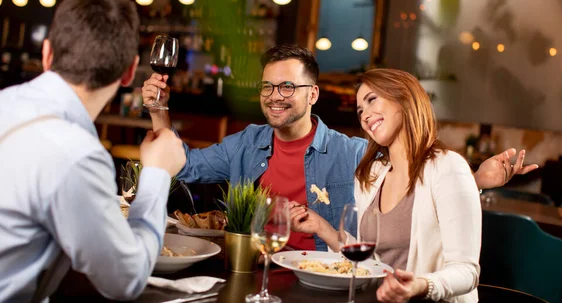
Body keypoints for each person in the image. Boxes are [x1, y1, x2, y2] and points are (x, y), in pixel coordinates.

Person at [142, 44, 536, 251]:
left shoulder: (351, 152)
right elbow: (183, 165)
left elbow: (415, 186)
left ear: (313, 93)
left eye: (287, 87)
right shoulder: (246, 143)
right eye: (267, 86)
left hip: (318, 278)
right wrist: (159, 110)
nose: (274, 96)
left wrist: (478, 178)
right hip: (251, 269)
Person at [0, 0, 186, 302]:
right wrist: (157, 175)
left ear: (47, 54)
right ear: (130, 71)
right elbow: (125, 281)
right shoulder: (75, 154)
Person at [291, 68, 481, 303]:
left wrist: (420, 286)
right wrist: (322, 228)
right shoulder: (372, 174)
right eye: (360, 110)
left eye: (372, 100)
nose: (365, 115)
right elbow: (368, 260)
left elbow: (467, 271)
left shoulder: (447, 166)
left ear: (404, 97)